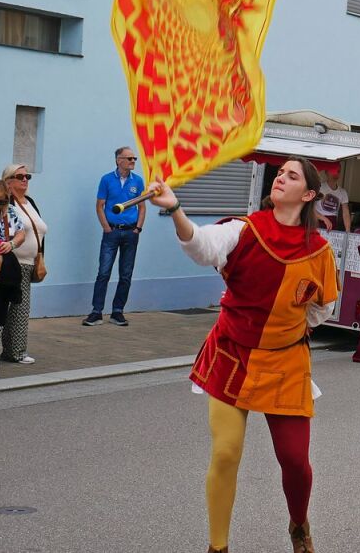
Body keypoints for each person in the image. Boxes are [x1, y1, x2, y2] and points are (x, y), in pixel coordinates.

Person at [148, 156, 338, 553]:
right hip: (232, 353)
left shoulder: (318, 251)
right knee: (226, 451)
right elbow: (202, 247)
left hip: (286, 363)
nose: (280, 178)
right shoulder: (244, 230)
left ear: (307, 194)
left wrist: (291, 329)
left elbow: (322, 309)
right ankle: (218, 548)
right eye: (279, 173)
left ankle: (299, 525)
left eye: (291, 176)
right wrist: (177, 209)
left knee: (295, 463)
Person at [83, 147, 146, 327]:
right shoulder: (107, 180)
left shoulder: (138, 181)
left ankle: (117, 312)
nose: (133, 161)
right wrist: (106, 227)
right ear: (119, 160)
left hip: (131, 232)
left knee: (126, 274)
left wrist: (138, 228)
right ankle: (96, 312)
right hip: (111, 232)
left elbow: (142, 207)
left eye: (134, 158)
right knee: (103, 272)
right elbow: (100, 206)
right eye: (129, 158)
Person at [1, 164, 46, 364]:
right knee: (3, 308)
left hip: (28, 262)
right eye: (20, 176)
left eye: (27, 176)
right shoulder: (5, 203)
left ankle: (15, 351)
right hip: (10, 262)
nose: (25, 180)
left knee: (20, 308)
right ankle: (12, 351)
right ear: (8, 180)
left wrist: (40, 255)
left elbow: (39, 231)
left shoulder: (30, 203)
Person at [0, 179, 26, 378]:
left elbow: (21, 233)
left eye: (3, 201)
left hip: (3, 275)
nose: (0, 206)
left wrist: (12, 244)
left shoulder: (11, 213)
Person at [314, 167, 350, 233]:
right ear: (326, 172)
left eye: (338, 171)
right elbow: (310, 209)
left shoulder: (343, 192)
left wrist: (348, 230)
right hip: (317, 222)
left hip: (333, 224)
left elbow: (346, 213)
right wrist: (323, 218)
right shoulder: (318, 188)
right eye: (333, 171)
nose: (336, 173)